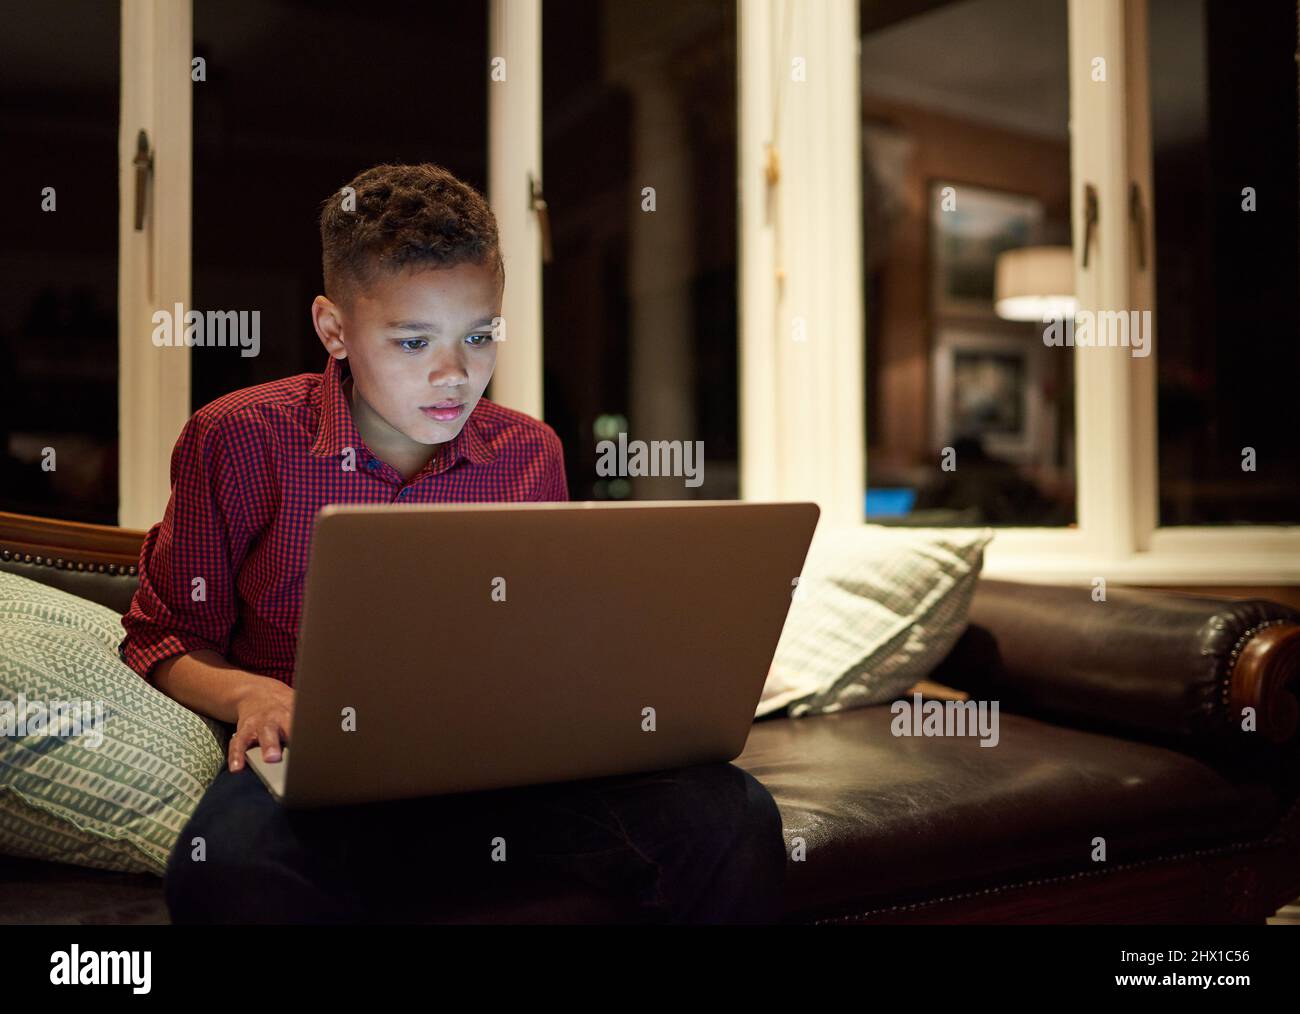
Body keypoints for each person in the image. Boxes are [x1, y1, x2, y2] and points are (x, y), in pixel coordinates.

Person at [118, 163, 786, 924]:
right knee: (228, 869)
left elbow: (550, 637)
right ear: (333, 330)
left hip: (506, 771)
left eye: (479, 336)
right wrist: (251, 693)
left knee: (731, 818)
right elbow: (160, 633)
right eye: (412, 342)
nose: (455, 375)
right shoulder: (238, 438)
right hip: (324, 773)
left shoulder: (530, 452)